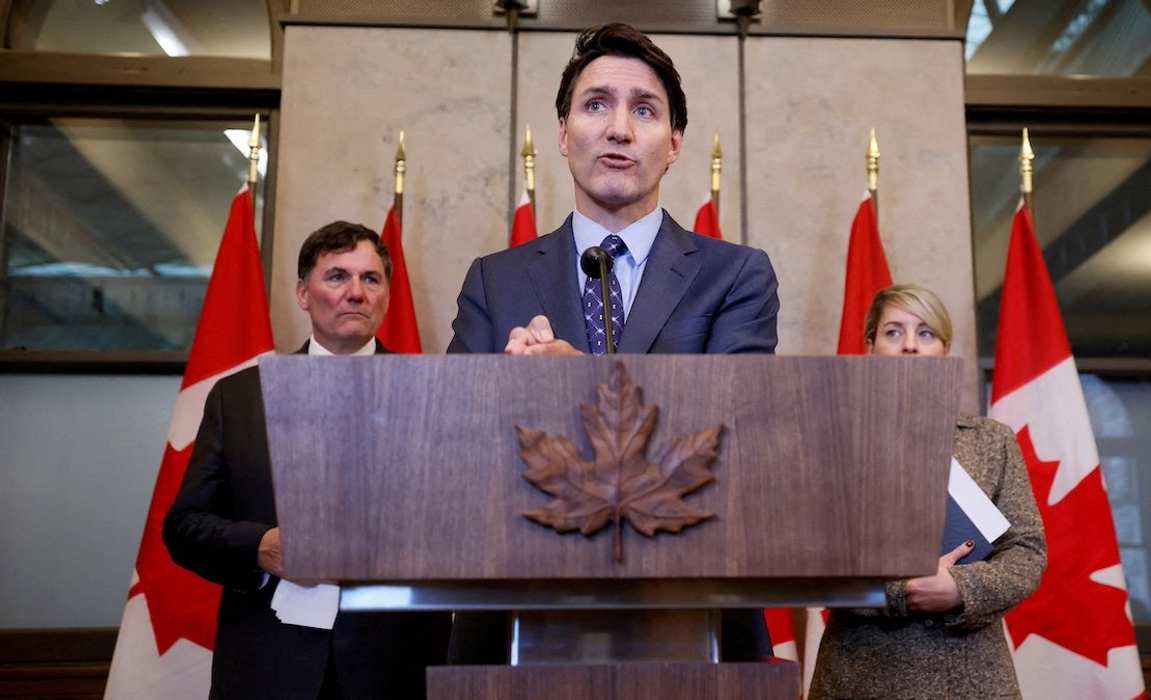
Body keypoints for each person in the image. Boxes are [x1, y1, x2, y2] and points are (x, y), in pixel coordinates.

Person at [445, 23, 779, 662]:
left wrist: (578, 383)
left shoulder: (736, 273)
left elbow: (736, 433)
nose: (620, 129)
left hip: (690, 605)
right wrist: (505, 389)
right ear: (565, 134)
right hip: (518, 605)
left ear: (674, 143)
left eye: (644, 110)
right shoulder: (496, 278)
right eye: (596, 104)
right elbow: (455, 442)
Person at [164, 222, 451, 699]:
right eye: (337, 277)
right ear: (303, 293)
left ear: (385, 294)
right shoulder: (239, 399)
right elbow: (184, 527)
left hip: (396, 666)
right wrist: (261, 546)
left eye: (371, 279)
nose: (355, 293)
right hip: (269, 664)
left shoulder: (435, 394)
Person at [808, 284, 1047, 700]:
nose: (910, 347)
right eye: (894, 332)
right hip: (861, 673)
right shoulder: (831, 440)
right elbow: (809, 557)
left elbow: (1027, 551)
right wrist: (906, 592)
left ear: (945, 350)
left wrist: (960, 588)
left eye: (925, 333)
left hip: (971, 675)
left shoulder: (991, 441)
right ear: (869, 346)